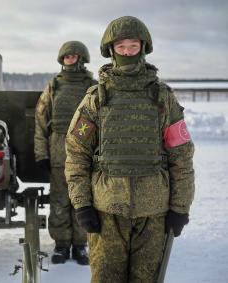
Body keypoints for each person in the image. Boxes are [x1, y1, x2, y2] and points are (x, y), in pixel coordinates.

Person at [65, 16, 195, 282]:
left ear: (143, 48)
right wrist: (82, 204)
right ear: (111, 50)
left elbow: (181, 155)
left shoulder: (163, 97)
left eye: (132, 46)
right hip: (107, 211)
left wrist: (180, 206)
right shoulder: (96, 98)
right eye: (121, 46)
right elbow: (77, 153)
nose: (127, 52)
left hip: (153, 212)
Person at [34, 41, 97, 265]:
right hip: (58, 153)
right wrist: (41, 155)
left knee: (81, 200)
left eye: (74, 56)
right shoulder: (54, 86)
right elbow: (40, 123)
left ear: (81, 58)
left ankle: (80, 246)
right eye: (67, 57)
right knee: (59, 201)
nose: (70, 60)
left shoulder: (93, 86)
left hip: (85, 153)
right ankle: (61, 245)